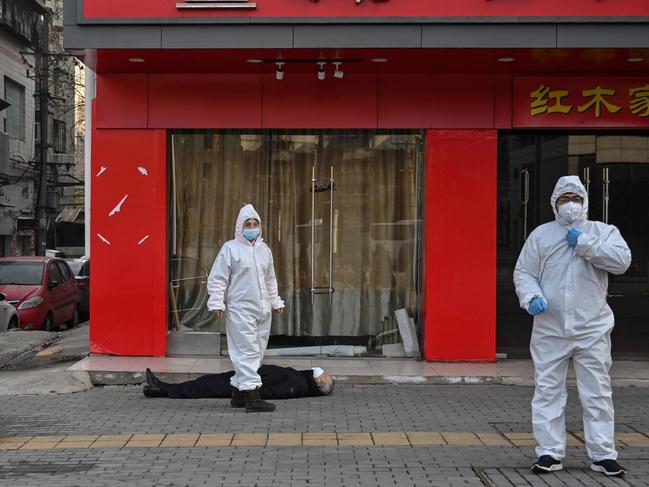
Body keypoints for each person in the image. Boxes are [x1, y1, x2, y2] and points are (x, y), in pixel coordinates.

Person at [514, 175, 631, 477]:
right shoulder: (541, 235)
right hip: (550, 327)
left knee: (597, 393)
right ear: (554, 203)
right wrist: (531, 296)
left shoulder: (603, 232)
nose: (570, 204)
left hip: (592, 328)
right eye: (564, 199)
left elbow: (622, 262)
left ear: (585, 202)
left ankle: (603, 454)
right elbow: (524, 272)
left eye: (575, 198)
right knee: (547, 390)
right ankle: (549, 452)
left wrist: (585, 244)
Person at [207, 204, 285, 413]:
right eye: (247, 224)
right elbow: (218, 278)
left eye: (255, 223)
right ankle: (252, 397)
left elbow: (270, 279)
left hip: (262, 309)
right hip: (240, 308)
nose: (252, 227)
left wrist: (275, 301)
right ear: (239, 227)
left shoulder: (264, 250)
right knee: (247, 352)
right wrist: (216, 302)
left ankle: (238, 392)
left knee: (257, 351)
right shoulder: (230, 249)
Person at [142, 365, 334, 400]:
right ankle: (161, 388)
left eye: (326, 375)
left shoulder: (299, 385)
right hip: (246, 376)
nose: (325, 372)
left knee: (204, 387)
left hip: (245, 383)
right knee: (206, 382)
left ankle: (161, 389)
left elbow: (276, 392)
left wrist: (249, 391)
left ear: (319, 382)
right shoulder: (300, 378)